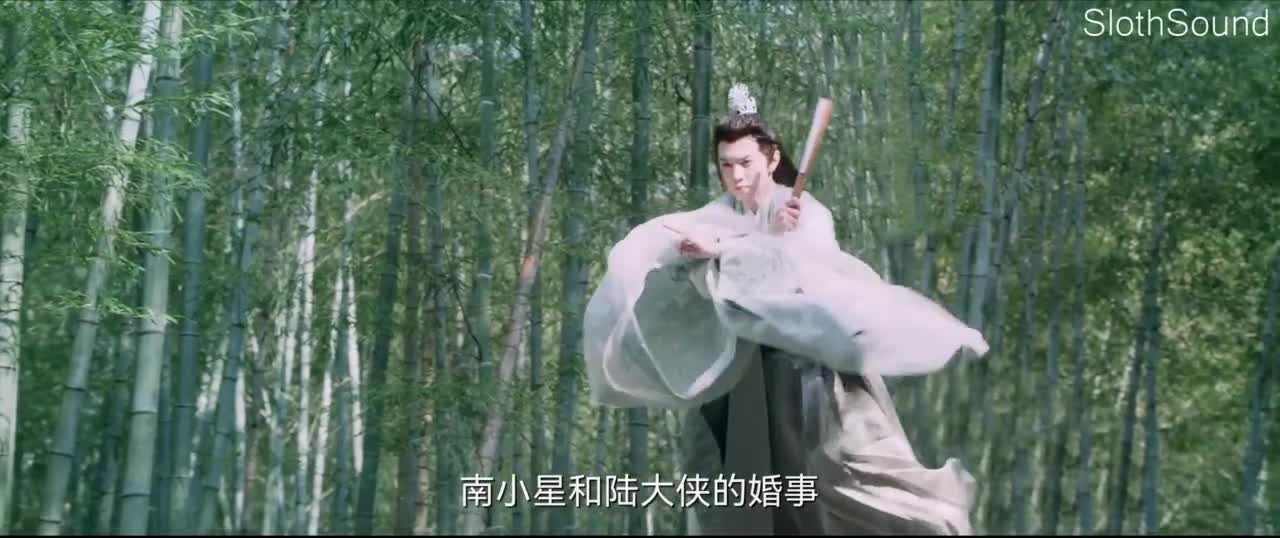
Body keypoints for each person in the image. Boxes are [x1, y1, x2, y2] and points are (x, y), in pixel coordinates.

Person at [582, 84, 986, 535]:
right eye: (726, 165)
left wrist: (756, 246)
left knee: (832, 485)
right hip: (737, 379)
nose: (736, 176)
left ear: (772, 159)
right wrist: (714, 249)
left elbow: (802, 284)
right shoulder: (718, 214)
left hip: (801, 377)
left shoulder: (807, 215)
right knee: (723, 491)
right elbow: (677, 252)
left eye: (745, 163)